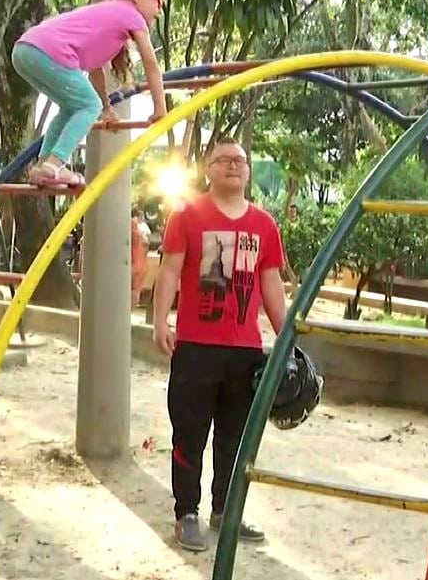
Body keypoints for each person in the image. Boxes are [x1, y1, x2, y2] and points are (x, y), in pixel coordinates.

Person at [152, 138, 288, 552]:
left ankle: (225, 510)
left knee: (235, 436)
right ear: (208, 170)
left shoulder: (264, 225)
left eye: (240, 160)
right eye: (223, 160)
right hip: (195, 345)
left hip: (244, 350)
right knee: (189, 432)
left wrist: (287, 337)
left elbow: (270, 283)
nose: (233, 166)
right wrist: (160, 320)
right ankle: (186, 513)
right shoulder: (187, 215)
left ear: (248, 172)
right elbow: (170, 269)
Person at [12, 0, 168, 188]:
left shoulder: (107, 17)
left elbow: (96, 71)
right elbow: (151, 64)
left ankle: (43, 166)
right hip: (48, 51)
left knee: (71, 107)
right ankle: (56, 163)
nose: (160, 10)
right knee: (88, 106)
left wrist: (106, 107)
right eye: (158, 1)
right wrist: (160, 107)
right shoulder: (131, 15)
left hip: (25, 50)